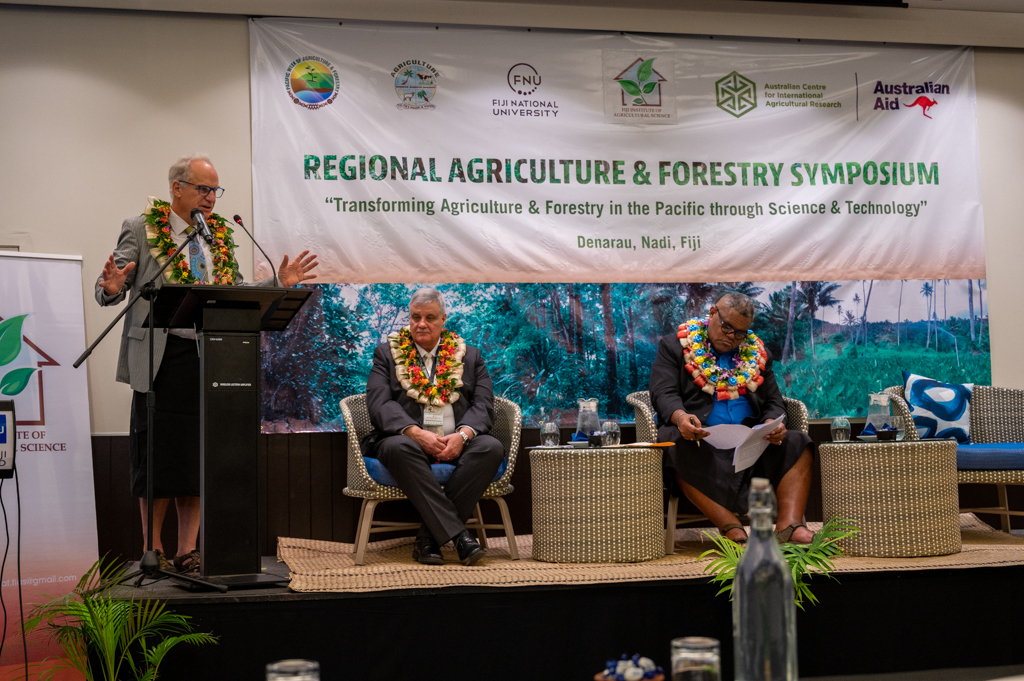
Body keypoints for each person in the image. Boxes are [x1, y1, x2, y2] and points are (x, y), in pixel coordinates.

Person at [96, 154, 319, 573]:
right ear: (176, 188)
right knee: (157, 456)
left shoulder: (218, 236)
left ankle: (186, 550)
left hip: (207, 356)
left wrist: (277, 285)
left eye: (215, 190)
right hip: (159, 356)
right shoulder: (141, 229)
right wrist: (111, 287)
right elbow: (110, 285)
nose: (211, 197)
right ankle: (153, 550)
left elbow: (231, 293)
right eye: (203, 188)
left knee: (195, 455)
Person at [649, 292, 814, 545]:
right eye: (727, 328)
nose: (732, 337)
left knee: (797, 442)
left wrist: (775, 423)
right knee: (671, 440)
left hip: (750, 440)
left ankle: (789, 526)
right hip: (700, 438)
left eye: (740, 333)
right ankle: (730, 526)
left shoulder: (757, 355)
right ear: (713, 313)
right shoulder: (675, 347)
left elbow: (773, 402)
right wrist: (681, 417)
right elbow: (663, 392)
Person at [361, 288, 505, 566]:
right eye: (415, 317)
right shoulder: (387, 354)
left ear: (443, 320)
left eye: (429, 317)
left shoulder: (470, 356)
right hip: (407, 442)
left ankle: (429, 538)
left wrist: (462, 436)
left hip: (456, 441)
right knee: (398, 446)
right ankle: (460, 536)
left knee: (491, 447)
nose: (421, 324)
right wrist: (415, 433)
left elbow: (484, 405)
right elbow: (379, 403)